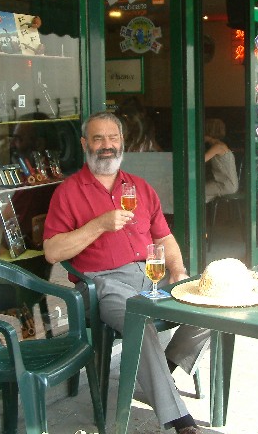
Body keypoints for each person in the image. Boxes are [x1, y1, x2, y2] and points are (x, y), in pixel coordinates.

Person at [42, 111, 209, 434]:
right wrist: (99, 225)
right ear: (84, 144)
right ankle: (181, 422)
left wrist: (177, 270)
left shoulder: (140, 187)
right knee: (139, 322)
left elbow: (164, 237)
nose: (107, 146)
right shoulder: (69, 192)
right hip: (104, 283)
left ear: (122, 142)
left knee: (213, 305)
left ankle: (160, 376)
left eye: (113, 138)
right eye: (98, 138)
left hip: (153, 275)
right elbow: (53, 251)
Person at [204, 118, 239, 203]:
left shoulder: (217, 147)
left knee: (195, 191)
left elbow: (200, 161)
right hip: (226, 183)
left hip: (225, 185)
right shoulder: (220, 145)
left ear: (210, 132)